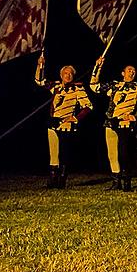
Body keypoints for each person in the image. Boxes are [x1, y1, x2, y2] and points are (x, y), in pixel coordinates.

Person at [90, 56, 137, 192]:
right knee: (112, 153)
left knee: (125, 153)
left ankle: (127, 182)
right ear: (123, 73)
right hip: (110, 122)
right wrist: (97, 67)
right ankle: (116, 182)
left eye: (134, 71)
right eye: (129, 70)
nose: (132, 72)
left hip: (125, 123)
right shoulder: (114, 85)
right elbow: (94, 86)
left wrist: (136, 116)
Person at [35, 53, 92, 189]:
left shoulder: (78, 89)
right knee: (53, 152)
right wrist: (40, 65)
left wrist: (76, 118)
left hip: (68, 124)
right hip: (54, 122)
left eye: (70, 74)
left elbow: (88, 106)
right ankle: (52, 180)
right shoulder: (55, 86)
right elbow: (39, 81)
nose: (68, 76)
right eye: (65, 73)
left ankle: (62, 180)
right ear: (61, 76)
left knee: (65, 152)